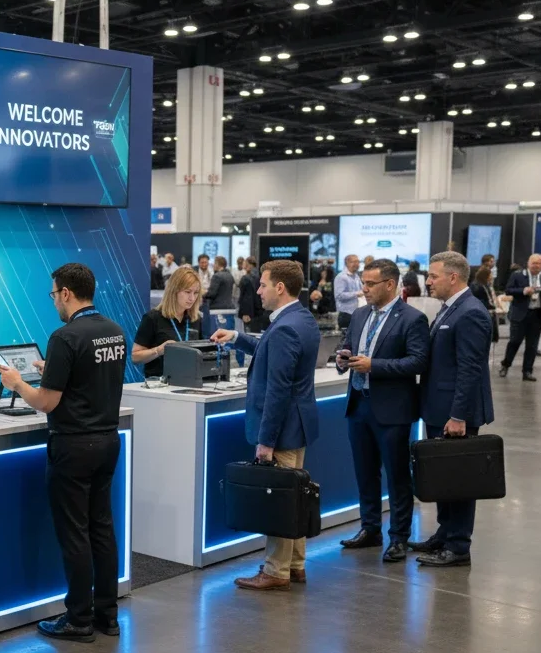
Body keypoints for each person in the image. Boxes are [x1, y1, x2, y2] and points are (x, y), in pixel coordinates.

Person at [0, 263, 125, 641]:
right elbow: (88, 376)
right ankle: (107, 614)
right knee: (102, 528)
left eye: (54, 294)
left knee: (75, 533)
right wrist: (51, 369)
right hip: (106, 441)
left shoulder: (65, 336)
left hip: (73, 445)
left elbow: (46, 402)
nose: (54, 301)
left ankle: (78, 618)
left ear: (66, 293)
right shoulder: (113, 332)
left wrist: (18, 382)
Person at [210, 259, 320, 591]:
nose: (258, 290)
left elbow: (278, 390)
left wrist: (266, 440)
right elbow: (270, 351)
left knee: (280, 500)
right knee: (295, 496)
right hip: (298, 425)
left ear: (280, 288)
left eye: (262, 285)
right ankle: (295, 565)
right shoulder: (300, 318)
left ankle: (275, 570)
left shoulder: (285, 326)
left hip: (282, 430)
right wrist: (237, 338)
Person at [334, 259, 429, 561]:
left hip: (392, 410)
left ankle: (399, 536)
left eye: (370, 284)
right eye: (363, 282)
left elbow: (417, 362)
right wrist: (342, 359)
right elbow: (348, 346)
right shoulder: (360, 314)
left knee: (398, 475)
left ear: (390, 284)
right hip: (359, 404)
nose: (363, 289)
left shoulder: (412, 319)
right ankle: (370, 528)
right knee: (365, 472)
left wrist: (374, 366)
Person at [411, 252, 494, 567]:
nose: (428, 281)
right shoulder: (449, 310)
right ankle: (444, 534)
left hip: (455, 414)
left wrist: (458, 415)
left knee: (459, 480)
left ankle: (458, 545)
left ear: (453, 277)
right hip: (439, 409)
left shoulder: (470, 313)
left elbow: (470, 369)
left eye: (433, 276)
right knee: (444, 477)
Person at [131, 266, 202, 378]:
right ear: (174, 291)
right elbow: (135, 357)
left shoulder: (196, 319)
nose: (192, 298)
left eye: (196, 293)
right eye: (188, 292)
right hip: (159, 384)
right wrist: (158, 350)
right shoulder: (152, 318)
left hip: (189, 381)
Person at [499, 253, 541, 383]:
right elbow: (508, 290)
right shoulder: (517, 275)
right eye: (534, 263)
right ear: (528, 263)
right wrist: (524, 291)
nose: (536, 266)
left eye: (539, 263)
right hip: (520, 314)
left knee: (532, 345)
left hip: (537, 315)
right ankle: (506, 365)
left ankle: (527, 371)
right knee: (514, 341)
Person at [204, 256, 236, 337]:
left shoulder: (217, 276)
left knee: (218, 337)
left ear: (218, 264)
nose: (213, 265)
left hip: (218, 310)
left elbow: (211, 294)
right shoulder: (230, 276)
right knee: (228, 336)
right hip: (230, 309)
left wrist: (203, 294)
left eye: (214, 263)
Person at [334, 254, 363, 330]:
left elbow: (361, 290)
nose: (357, 264)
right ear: (347, 263)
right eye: (354, 262)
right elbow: (339, 295)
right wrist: (357, 293)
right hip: (346, 314)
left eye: (358, 262)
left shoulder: (356, 276)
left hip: (356, 313)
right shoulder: (341, 277)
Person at [236, 257, 264, 334]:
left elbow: (247, 297)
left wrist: (245, 313)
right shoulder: (261, 276)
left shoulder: (246, 278)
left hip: (249, 313)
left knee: (249, 335)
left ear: (248, 264)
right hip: (259, 311)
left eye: (244, 263)